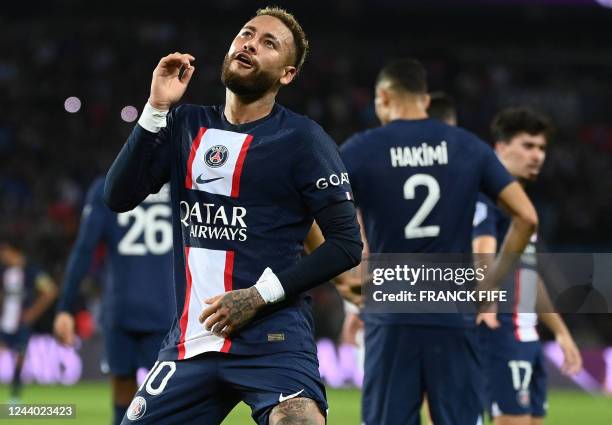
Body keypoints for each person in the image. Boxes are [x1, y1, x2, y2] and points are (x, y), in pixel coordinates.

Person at [103, 6, 362, 425]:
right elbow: (117, 196)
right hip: (192, 341)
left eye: (268, 43)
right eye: (246, 34)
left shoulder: (303, 140)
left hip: (274, 340)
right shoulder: (185, 124)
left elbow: (346, 245)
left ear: (287, 74)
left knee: (298, 421)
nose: (250, 44)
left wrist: (257, 297)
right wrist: (154, 107)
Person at [339, 58, 538, 425]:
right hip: (452, 313)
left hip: (391, 313)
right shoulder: (468, 146)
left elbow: (312, 211)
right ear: (426, 100)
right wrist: (489, 285)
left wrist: (343, 279)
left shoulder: (360, 149)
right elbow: (527, 218)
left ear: (383, 97)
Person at [473, 107, 582, 425]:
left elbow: (529, 278)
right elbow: (481, 248)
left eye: (542, 148)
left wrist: (561, 332)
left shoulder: (521, 206)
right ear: (501, 147)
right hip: (501, 333)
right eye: (528, 145)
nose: (537, 155)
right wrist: (487, 297)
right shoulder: (489, 197)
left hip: (527, 336)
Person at [53, 176, 174, 425]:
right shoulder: (182, 183)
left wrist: (65, 307)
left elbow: (84, 249)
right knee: (169, 398)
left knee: (122, 390)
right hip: (168, 310)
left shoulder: (108, 185)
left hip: (122, 306)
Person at [0, 230, 58, 403]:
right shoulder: (4, 270)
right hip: (4, 321)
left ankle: (15, 397)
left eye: (4, 252)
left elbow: (50, 291)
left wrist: (32, 312)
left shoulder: (31, 270)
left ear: (12, 251)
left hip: (21, 322)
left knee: (20, 357)